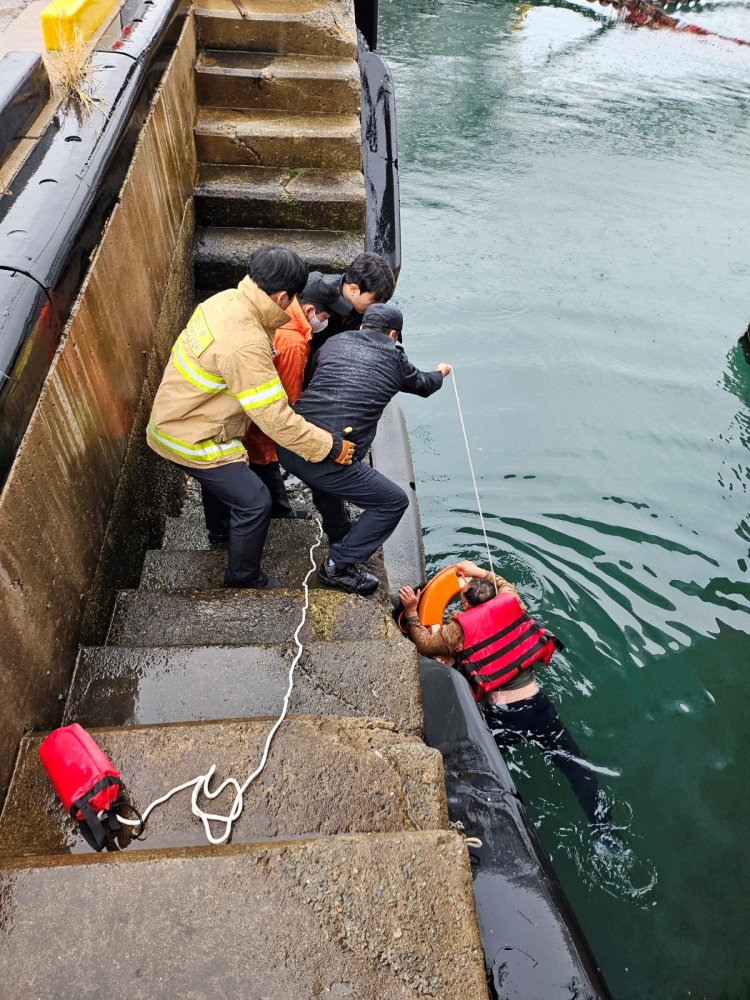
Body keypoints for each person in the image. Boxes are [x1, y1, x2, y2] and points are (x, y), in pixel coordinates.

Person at [146, 245, 355, 591]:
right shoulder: (246, 343)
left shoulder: (226, 300)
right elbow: (274, 416)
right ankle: (243, 577)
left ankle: (221, 531)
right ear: (283, 295)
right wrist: (327, 446)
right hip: (191, 434)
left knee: (222, 478)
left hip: (178, 416)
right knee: (256, 501)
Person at [399, 561, 622, 852]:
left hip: (504, 719)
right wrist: (477, 571)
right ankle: (604, 830)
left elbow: (426, 645)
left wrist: (411, 611)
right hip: (540, 709)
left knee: (480, 775)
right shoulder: (511, 600)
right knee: (575, 767)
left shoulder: (458, 632)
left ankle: (486, 833)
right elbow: (501, 581)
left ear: (465, 605)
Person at [278, 304, 451, 596]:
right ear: (393, 335)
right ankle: (338, 566)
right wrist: (441, 372)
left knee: (326, 483)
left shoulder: (334, 342)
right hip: (330, 457)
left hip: (289, 446)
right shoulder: (394, 358)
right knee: (393, 501)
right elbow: (423, 384)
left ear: (361, 327)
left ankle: (340, 533)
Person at [242, 273, 351, 519]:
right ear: (311, 309)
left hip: (248, 397)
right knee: (265, 458)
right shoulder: (293, 342)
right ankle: (280, 513)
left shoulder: (283, 308)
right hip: (261, 417)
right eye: (327, 315)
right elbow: (291, 400)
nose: (326, 321)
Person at [307, 252, 396, 356]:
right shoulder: (315, 293)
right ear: (353, 289)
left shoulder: (368, 310)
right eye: (374, 301)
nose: (377, 307)